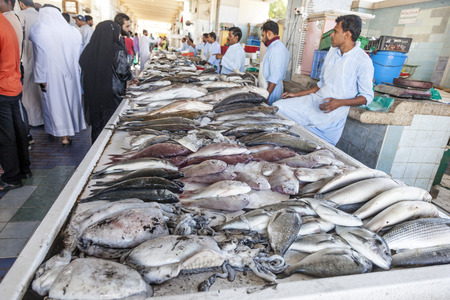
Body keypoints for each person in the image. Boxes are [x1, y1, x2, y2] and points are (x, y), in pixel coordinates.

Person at [276, 15, 374, 146]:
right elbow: (321, 84)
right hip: (314, 102)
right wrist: (296, 94)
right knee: (278, 107)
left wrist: (339, 103)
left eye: (335, 31)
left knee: (312, 147)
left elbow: (367, 97)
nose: (331, 35)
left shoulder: (363, 61)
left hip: (331, 115)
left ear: (347, 35)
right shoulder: (332, 51)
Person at [29, 4, 86, 146]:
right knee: (68, 103)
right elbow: (77, 56)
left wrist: (41, 79)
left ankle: (61, 134)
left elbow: (39, 59)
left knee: (55, 105)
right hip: (70, 76)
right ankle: (67, 134)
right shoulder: (72, 31)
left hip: (51, 76)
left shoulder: (40, 31)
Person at [80, 21, 134, 143]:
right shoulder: (116, 49)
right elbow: (123, 72)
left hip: (94, 93)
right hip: (111, 95)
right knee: (111, 124)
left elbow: (82, 64)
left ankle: (95, 150)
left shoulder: (90, 48)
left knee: (97, 125)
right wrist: (132, 77)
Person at [0, 13, 31, 191]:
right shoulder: (6, 22)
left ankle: (11, 177)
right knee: (18, 130)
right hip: (13, 84)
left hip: (3, 87)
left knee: (6, 135)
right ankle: (24, 169)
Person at [17, 0, 43, 128]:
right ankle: (43, 118)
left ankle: (33, 120)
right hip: (43, 59)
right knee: (41, 91)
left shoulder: (20, 16)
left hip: (26, 58)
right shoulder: (42, 16)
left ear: (21, 4)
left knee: (28, 91)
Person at [260, 20, 289, 105]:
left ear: (269, 33)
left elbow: (274, 77)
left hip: (272, 90)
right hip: (270, 87)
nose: (262, 39)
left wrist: (266, 96)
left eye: (263, 35)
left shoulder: (276, 49)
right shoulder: (275, 47)